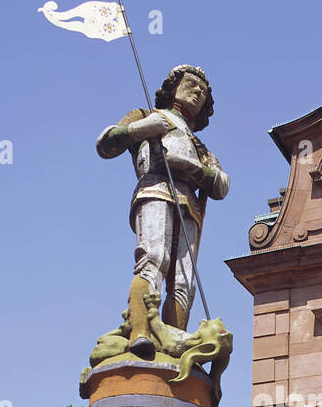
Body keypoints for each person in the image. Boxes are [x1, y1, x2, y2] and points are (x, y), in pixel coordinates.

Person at [97, 64, 230, 344]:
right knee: (154, 258)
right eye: (191, 83)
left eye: (203, 91)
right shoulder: (148, 116)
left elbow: (221, 185)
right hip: (155, 188)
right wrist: (141, 129)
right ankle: (140, 333)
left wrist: (188, 166)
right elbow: (105, 144)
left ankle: (175, 342)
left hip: (190, 207)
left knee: (184, 282)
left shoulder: (199, 145)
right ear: (173, 87)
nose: (197, 91)